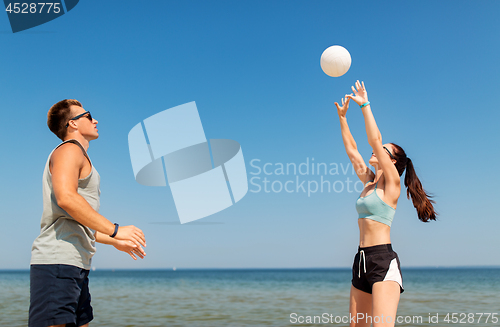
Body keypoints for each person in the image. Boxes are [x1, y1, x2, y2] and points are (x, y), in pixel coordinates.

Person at [29, 99, 147, 327]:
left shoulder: (79, 155)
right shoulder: (69, 150)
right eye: (88, 115)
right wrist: (115, 230)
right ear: (72, 124)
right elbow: (67, 198)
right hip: (57, 263)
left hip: (76, 265)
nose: (95, 120)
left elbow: (76, 222)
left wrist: (114, 240)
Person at [334, 81, 437, 327]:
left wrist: (365, 105)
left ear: (391, 162)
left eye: (383, 150)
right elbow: (352, 151)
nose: (377, 151)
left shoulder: (391, 185)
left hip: (382, 261)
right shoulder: (369, 181)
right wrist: (343, 118)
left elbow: (374, 138)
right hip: (360, 260)